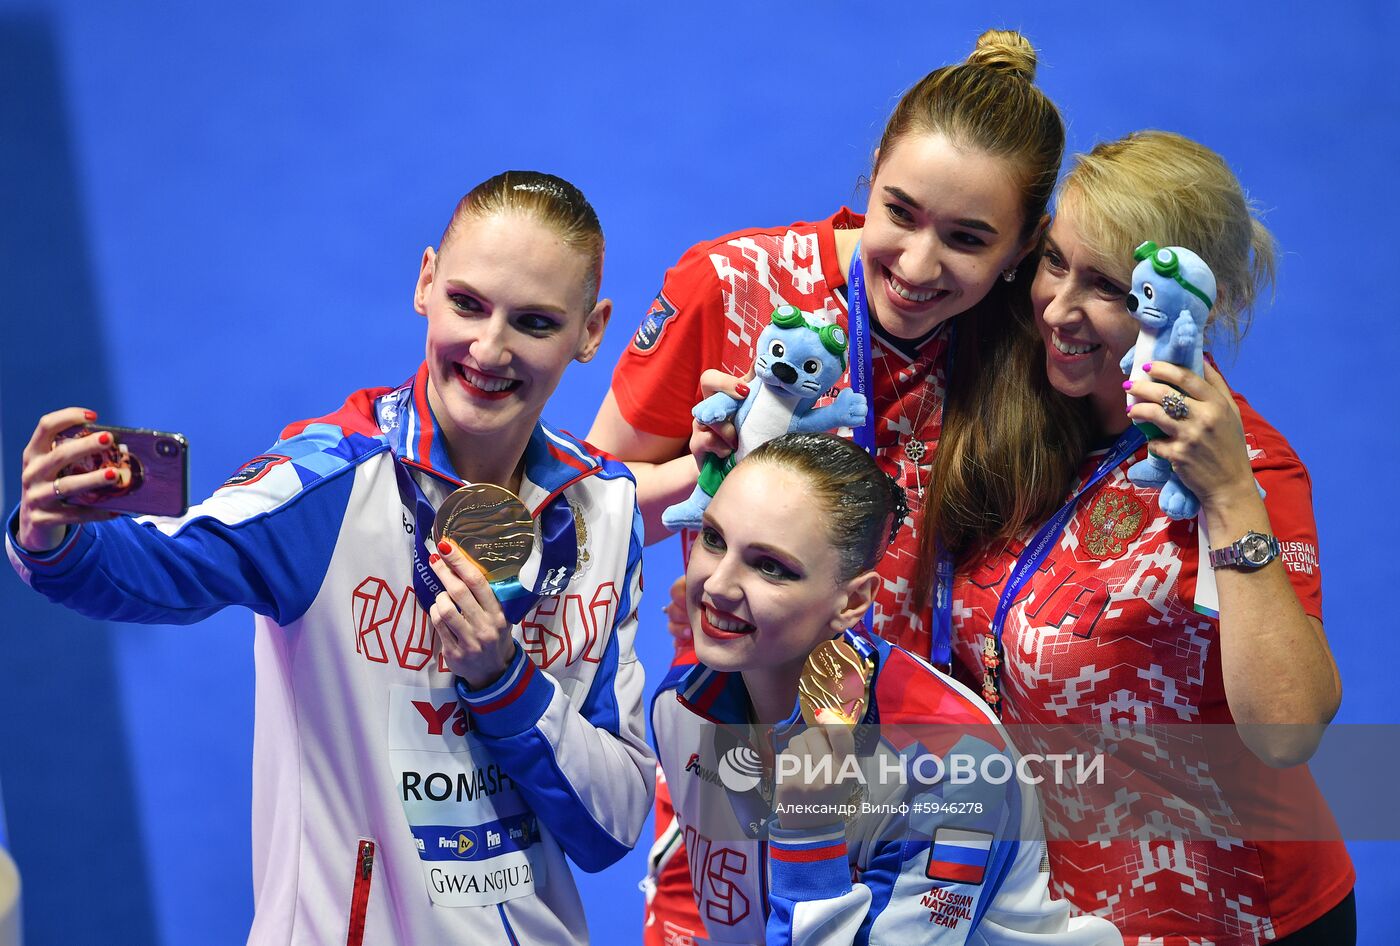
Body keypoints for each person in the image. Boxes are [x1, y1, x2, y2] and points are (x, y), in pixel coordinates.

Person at [7, 171, 654, 945]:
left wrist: (507, 684)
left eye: (536, 322)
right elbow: (158, 570)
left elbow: (610, 827)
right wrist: (55, 539)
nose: (489, 347)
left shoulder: (605, 509)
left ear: (591, 331)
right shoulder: (329, 483)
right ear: (425, 283)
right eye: (467, 304)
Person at [588, 30, 1080, 942]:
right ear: (872, 177)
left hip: (931, 785)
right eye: (900, 210)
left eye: (969, 240)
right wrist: (701, 470)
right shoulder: (731, 285)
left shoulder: (1036, 344)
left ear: (1022, 250)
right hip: (736, 743)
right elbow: (591, 516)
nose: (920, 264)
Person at [938, 132, 1355, 944]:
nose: (1058, 309)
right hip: (1067, 915)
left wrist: (1229, 497)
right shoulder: (1021, 417)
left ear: (1203, 306)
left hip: (1235, 915)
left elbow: (1289, 728)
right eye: (1055, 262)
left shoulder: (1254, 471)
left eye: (1108, 287)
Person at [652, 431, 1122, 945]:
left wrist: (808, 835)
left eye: (770, 567)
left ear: (853, 602)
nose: (717, 584)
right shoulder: (682, 704)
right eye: (714, 539)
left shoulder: (953, 768)